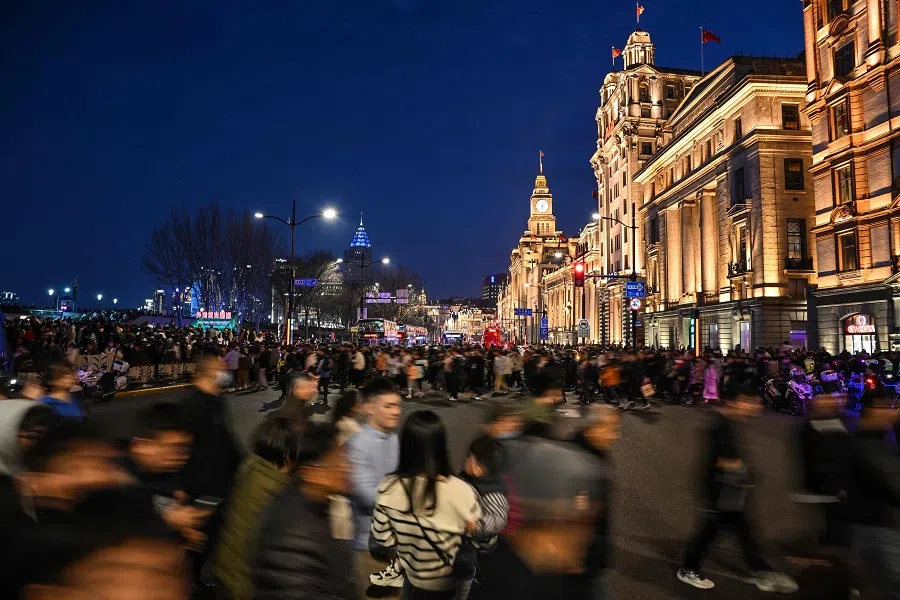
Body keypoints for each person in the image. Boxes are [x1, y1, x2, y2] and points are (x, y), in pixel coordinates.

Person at [676, 391, 798, 593]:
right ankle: (689, 568)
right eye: (749, 401)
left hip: (731, 490)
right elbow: (723, 461)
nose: (755, 406)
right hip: (720, 491)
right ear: (733, 403)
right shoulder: (720, 425)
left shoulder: (730, 422)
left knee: (745, 531)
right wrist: (747, 470)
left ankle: (761, 570)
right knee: (711, 532)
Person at [371, 410, 482, 599]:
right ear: (440, 446)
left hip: (412, 581)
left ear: (405, 445)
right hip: (448, 586)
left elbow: (383, 539)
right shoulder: (463, 491)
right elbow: (477, 537)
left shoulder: (387, 488)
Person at [253, 422, 355, 600]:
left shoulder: (312, 504)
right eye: (338, 461)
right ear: (313, 473)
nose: (347, 467)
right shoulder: (295, 539)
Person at [214, 416, 300, 600]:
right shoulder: (274, 490)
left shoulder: (252, 465)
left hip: (227, 569)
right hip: (245, 585)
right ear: (287, 456)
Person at [180, 354, 242, 591]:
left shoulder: (216, 399)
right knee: (198, 539)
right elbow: (186, 447)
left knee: (214, 536)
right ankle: (188, 581)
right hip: (201, 485)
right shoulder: (192, 404)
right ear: (206, 371)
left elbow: (224, 439)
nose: (224, 371)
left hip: (220, 483)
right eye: (219, 367)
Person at [346, 377, 402, 596]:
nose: (396, 411)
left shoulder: (394, 438)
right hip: (370, 547)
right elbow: (369, 496)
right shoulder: (357, 444)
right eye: (388, 406)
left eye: (397, 405)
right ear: (369, 408)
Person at [454, 435, 509, 600]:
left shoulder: (493, 493)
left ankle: (461, 595)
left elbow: (499, 519)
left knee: (465, 566)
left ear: (478, 469)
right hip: (463, 534)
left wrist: (477, 525)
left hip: (478, 545)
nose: (466, 460)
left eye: (469, 458)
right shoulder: (467, 477)